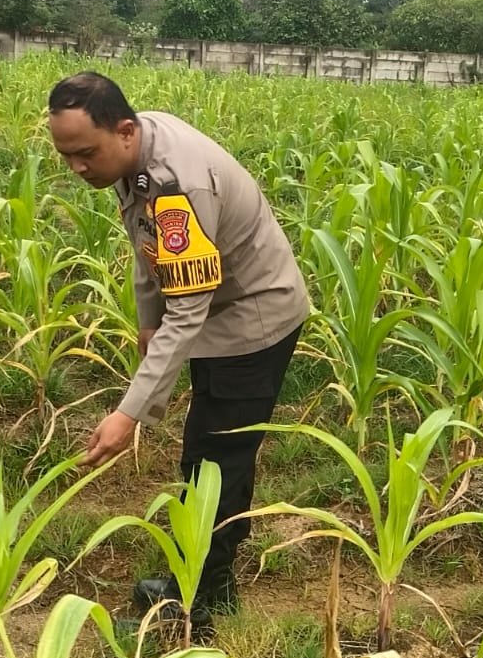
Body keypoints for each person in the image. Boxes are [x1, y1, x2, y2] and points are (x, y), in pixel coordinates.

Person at [46, 71, 310, 628]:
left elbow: (188, 309)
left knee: (215, 462)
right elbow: (146, 246)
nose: (77, 167)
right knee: (210, 452)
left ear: (124, 131)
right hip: (219, 312)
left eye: (85, 154)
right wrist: (148, 321)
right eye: (66, 155)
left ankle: (201, 600)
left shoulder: (176, 186)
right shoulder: (134, 152)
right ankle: (206, 580)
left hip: (253, 318)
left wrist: (128, 414)